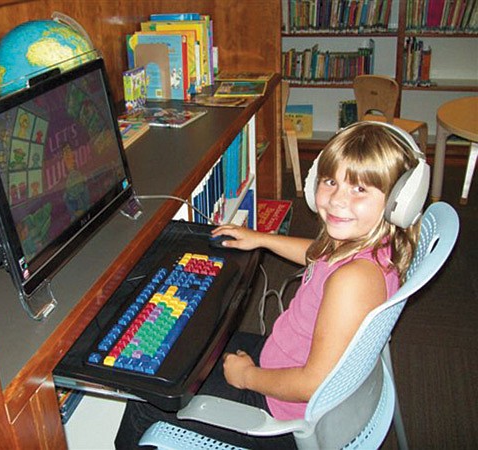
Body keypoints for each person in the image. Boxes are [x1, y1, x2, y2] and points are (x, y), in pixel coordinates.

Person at [115, 122, 426, 449]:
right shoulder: (365, 247)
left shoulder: (354, 282)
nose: (337, 200)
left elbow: (312, 382)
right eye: (330, 181)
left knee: (148, 397)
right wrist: (262, 239)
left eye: (359, 189)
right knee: (191, 341)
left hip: (283, 415)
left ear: (397, 201)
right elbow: (318, 255)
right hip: (282, 364)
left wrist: (246, 377)